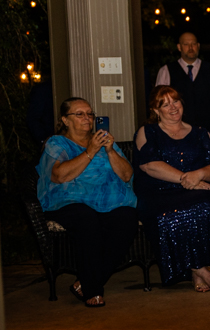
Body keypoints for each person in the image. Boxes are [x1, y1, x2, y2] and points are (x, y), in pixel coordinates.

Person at [36, 97, 137, 307]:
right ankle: (93, 290)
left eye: (90, 114)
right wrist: (90, 150)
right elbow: (59, 176)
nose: (87, 118)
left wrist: (109, 150)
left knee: (126, 218)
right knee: (87, 219)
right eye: (79, 114)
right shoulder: (57, 143)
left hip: (108, 201)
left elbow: (127, 175)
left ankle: (85, 281)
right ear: (65, 120)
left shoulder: (105, 141)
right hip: (67, 201)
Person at [133, 86, 210, 293]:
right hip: (157, 193)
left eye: (175, 102)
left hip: (197, 188)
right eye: (165, 105)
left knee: (203, 204)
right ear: (156, 111)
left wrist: (199, 175)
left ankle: (198, 270)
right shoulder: (147, 132)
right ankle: (201, 270)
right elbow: (149, 165)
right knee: (170, 214)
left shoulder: (202, 133)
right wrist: (186, 178)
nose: (172, 107)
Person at [155, 32, 210, 143]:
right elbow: (159, 104)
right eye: (186, 44)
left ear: (198, 46)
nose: (191, 47)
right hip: (177, 134)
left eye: (194, 44)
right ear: (179, 47)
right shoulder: (166, 71)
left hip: (208, 133)